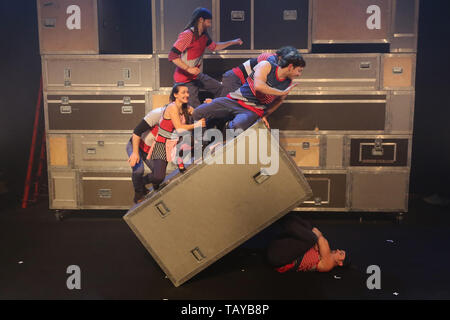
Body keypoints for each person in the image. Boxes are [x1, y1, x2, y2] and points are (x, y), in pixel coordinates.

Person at [193, 49, 305, 133]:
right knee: (201, 113)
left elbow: (277, 100)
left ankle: (222, 140)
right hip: (236, 82)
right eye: (299, 71)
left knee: (236, 126)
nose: (299, 75)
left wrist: (264, 115)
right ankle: (202, 144)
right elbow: (258, 86)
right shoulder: (268, 61)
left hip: (250, 106)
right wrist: (282, 92)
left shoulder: (287, 82)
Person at [168, 7, 243, 108]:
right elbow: (172, 55)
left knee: (221, 89)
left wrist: (233, 42)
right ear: (200, 20)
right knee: (196, 110)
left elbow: (214, 47)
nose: (210, 24)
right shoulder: (188, 35)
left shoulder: (203, 36)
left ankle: (215, 111)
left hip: (197, 76)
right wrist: (188, 68)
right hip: (184, 80)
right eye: (208, 21)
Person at [143, 84, 206, 195]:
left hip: (176, 142)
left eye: (187, 92)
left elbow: (198, 113)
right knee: (158, 177)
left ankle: (179, 159)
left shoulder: (186, 107)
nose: (187, 95)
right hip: (162, 144)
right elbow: (179, 128)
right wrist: (198, 125)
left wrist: (207, 105)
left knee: (195, 141)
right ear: (175, 95)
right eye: (183, 92)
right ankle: (141, 181)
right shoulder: (172, 107)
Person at [266, 214, 349, 273]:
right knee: (309, 227)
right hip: (280, 248)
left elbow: (321, 239)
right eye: (340, 250)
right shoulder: (326, 252)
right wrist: (317, 241)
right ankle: (284, 216)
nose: (338, 250)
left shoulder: (328, 265)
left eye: (341, 253)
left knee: (312, 238)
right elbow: (315, 230)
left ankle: (284, 219)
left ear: (340, 263)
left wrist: (317, 241)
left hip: (279, 258)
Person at [219, 46, 299, 97]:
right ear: (281, 57)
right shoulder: (270, 58)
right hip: (235, 78)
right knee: (222, 109)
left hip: (244, 85)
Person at [126, 107, 163, 203]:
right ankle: (138, 194)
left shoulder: (172, 126)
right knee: (138, 170)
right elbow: (137, 132)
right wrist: (134, 153)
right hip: (136, 146)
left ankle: (140, 183)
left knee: (158, 175)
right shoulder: (157, 116)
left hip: (148, 151)